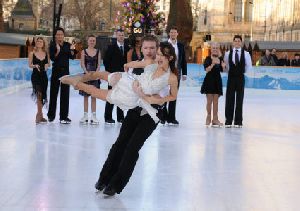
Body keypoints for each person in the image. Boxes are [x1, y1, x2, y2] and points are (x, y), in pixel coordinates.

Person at [61, 42, 177, 124]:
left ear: (170, 58)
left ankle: (76, 84)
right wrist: (127, 65)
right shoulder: (152, 63)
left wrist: (160, 100)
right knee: (101, 74)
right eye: (158, 54)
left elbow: (173, 96)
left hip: (132, 96)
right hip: (128, 80)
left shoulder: (171, 77)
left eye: (163, 55)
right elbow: (136, 63)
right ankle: (77, 79)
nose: (159, 57)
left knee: (95, 92)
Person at [47, 27, 77, 124]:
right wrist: (58, 51)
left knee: (65, 94)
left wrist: (72, 49)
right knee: (53, 94)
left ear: (64, 36)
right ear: (55, 36)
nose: (60, 36)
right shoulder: (52, 45)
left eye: (61, 34)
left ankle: (64, 117)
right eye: (58, 34)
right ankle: (51, 116)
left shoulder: (67, 45)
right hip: (56, 72)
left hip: (65, 73)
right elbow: (52, 58)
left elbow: (72, 57)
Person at [224, 35, 252, 128]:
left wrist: (241, 72)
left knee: (239, 99)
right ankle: (228, 120)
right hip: (231, 78)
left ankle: (238, 121)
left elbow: (249, 66)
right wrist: (231, 72)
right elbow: (226, 66)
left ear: (241, 42)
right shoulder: (228, 53)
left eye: (238, 41)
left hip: (240, 78)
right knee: (229, 99)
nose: (237, 42)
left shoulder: (246, 54)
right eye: (235, 41)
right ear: (233, 42)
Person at [161, 26, 187, 125]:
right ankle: (163, 116)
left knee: (173, 95)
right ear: (169, 33)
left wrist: (184, 73)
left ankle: (172, 118)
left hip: (177, 74)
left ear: (177, 34)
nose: (173, 34)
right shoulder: (164, 45)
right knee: (164, 94)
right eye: (171, 32)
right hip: (165, 73)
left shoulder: (180, 45)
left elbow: (183, 60)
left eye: (174, 32)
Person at [103, 29, 129, 124]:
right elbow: (106, 61)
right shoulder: (111, 47)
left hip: (123, 76)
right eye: (119, 35)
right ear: (116, 36)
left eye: (122, 35)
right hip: (113, 76)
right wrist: (110, 74)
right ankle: (108, 117)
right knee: (111, 95)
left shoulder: (127, 47)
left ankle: (120, 117)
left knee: (121, 96)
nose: (121, 36)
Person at [200, 42, 225, 127]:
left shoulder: (220, 59)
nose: (215, 49)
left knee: (216, 102)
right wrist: (213, 64)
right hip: (209, 81)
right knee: (209, 101)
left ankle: (215, 119)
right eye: (213, 48)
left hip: (217, 81)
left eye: (216, 48)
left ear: (218, 49)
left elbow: (223, 70)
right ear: (211, 49)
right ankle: (208, 117)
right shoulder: (207, 58)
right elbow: (207, 70)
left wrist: (224, 66)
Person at [79, 35, 101, 125]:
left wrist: (95, 74)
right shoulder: (83, 51)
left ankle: (94, 116)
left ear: (95, 42)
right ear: (87, 41)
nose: (92, 42)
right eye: (91, 40)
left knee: (94, 96)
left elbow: (99, 64)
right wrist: (87, 73)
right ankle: (85, 115)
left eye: (93, 40)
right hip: (86, 76)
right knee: (85, 96)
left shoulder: (98, 51)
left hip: (95, 76)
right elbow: (82, 64)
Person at [28, 37, 50, 124]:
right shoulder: (32, 53)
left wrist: (47, 65)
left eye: (41, 41)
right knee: (39, 95)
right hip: (36, 76)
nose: (39, 43)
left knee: (43, 95)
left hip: (44, 76)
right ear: (36, 43)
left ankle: (40, 116)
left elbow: (49, 64)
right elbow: (29, 65)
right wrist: (35, 66)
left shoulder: (46, 53)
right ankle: (39, 115)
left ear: (43, 43)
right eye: (38, 41)